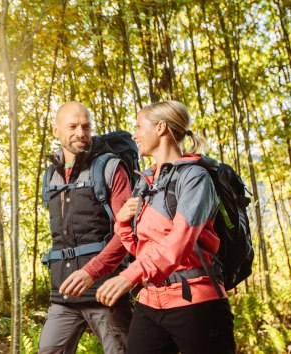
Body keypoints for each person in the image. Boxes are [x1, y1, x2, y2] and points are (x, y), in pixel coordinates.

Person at [96, 101, 236, 353]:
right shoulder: (146, 182)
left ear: (160, 128)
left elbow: (179, 242)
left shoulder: (195, 178)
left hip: (197, 302)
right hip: (151, 302)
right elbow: (142, 251)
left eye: (139, 127)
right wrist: (124, 225)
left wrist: (129, 276)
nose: (135, 135)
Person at [38, 102, 133, 354]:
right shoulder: (51, 175)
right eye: (72, 126)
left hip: (105, 291)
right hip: (64, 292)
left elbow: (127, 233)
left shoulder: (110, 168)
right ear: (56, 130)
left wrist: (92, 271)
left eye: (86, 126)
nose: (81, 132)